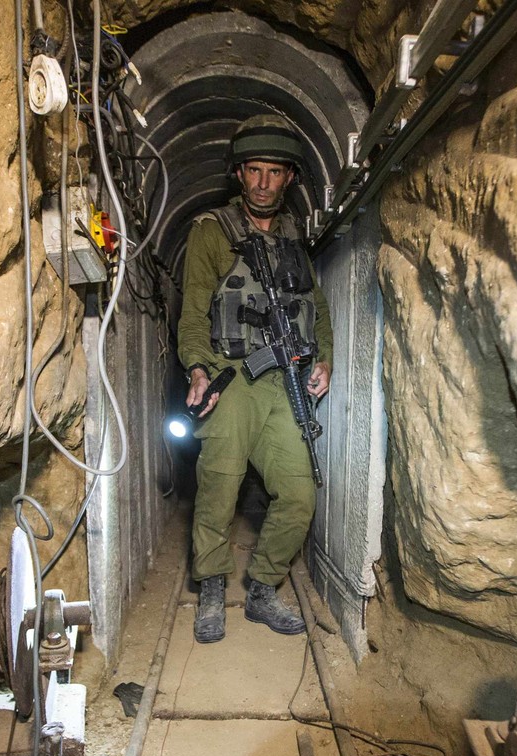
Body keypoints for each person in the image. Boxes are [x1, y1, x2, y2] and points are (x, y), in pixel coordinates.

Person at [176, 113, 333, 644]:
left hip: (282, 380)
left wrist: (325, 359)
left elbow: (317, 307)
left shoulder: (294, 236)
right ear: (239, 174)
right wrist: (198, 368)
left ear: (289, 178)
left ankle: (264, 586)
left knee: (299, 492)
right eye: (255, 171)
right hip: (232, 375)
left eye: (275, 172)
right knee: (218, 485)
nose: (264, 182)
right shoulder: (211, 232)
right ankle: (213, 587)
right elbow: (195, 311)